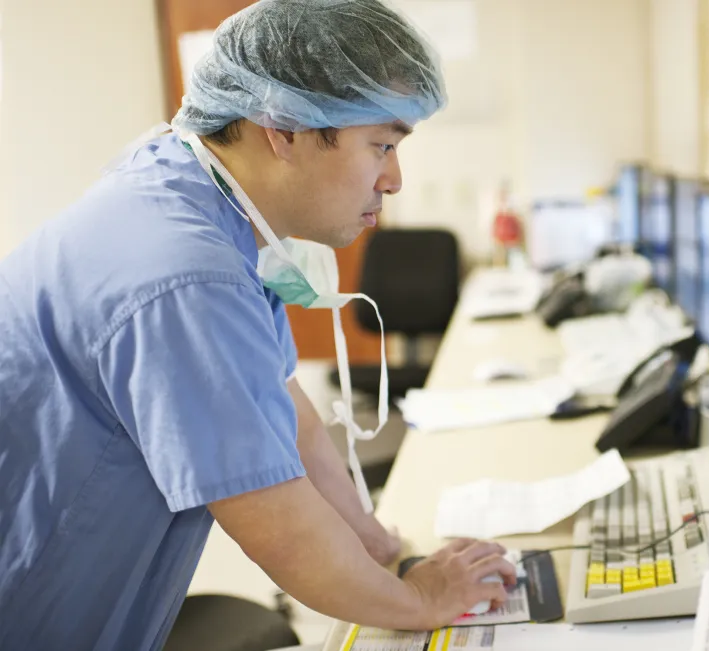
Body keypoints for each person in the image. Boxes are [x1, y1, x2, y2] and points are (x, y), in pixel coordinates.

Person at [0, 1, 515, 649]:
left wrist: (384, 549)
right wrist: (418, 597)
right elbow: (280, 527)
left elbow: (286, 412)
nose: (394, 178)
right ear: (283, 128)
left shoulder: (191, 192)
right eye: (380, 144)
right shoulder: (186, 271)